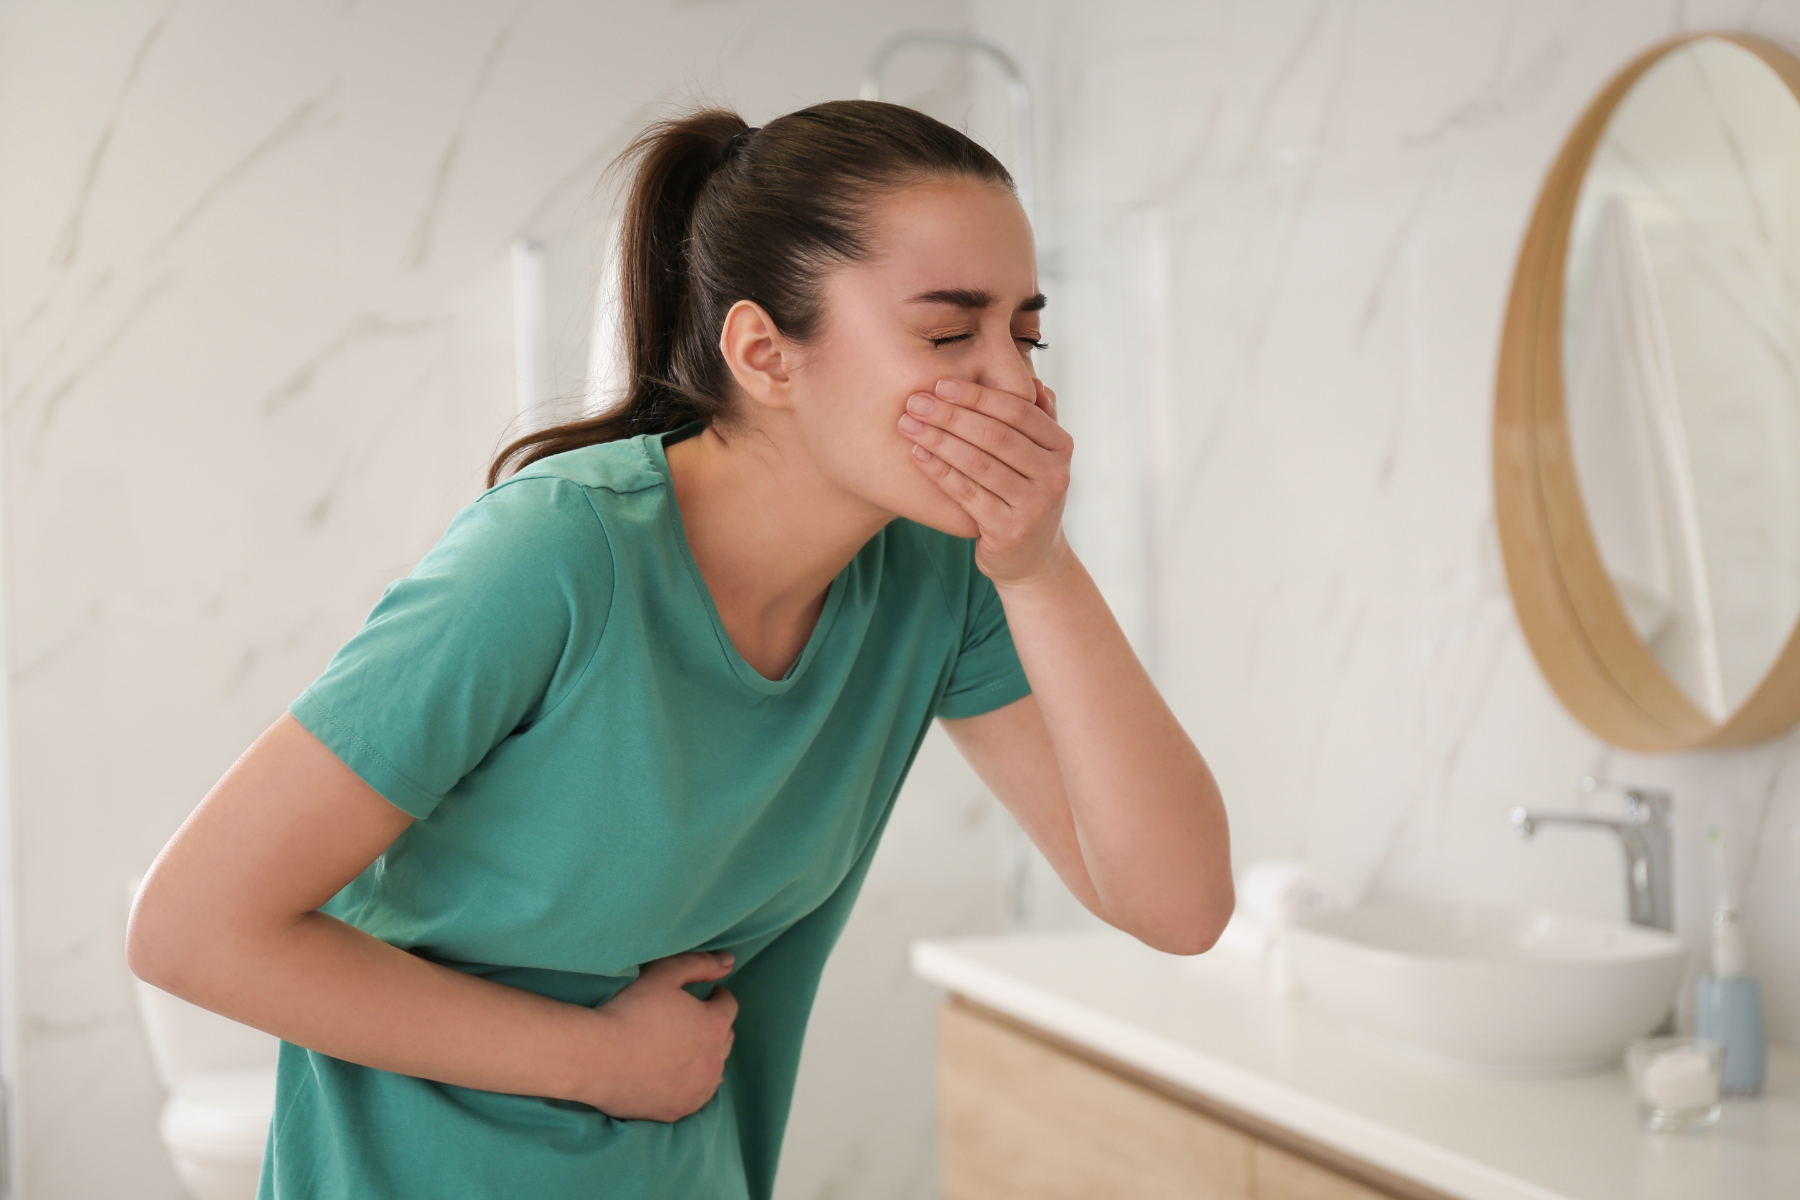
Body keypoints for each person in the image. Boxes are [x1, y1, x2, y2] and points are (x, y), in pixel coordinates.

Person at [127, 99, 1232, 1200]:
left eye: (1026, 334)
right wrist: (600, 1060)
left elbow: (1177, 907)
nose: (1018, 386)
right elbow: (192, 930)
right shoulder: (558, 558)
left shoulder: (942, 577)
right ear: (764, 353)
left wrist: (1040, 566)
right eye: (950, 334)